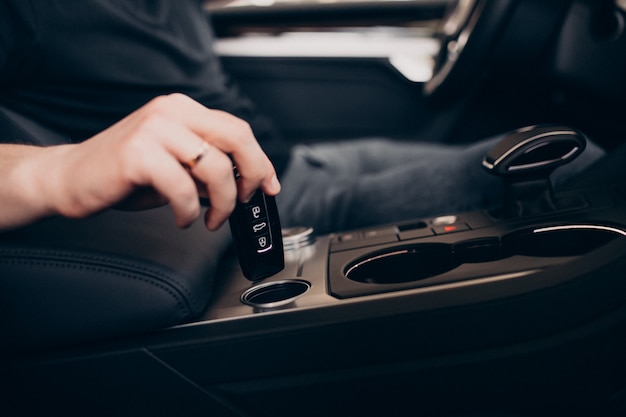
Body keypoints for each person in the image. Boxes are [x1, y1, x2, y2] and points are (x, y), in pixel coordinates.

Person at [0, 0, 605, 234]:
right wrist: (55, 172)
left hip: (296, 160)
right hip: (265, 204)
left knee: (560, 145)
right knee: (580, 165)